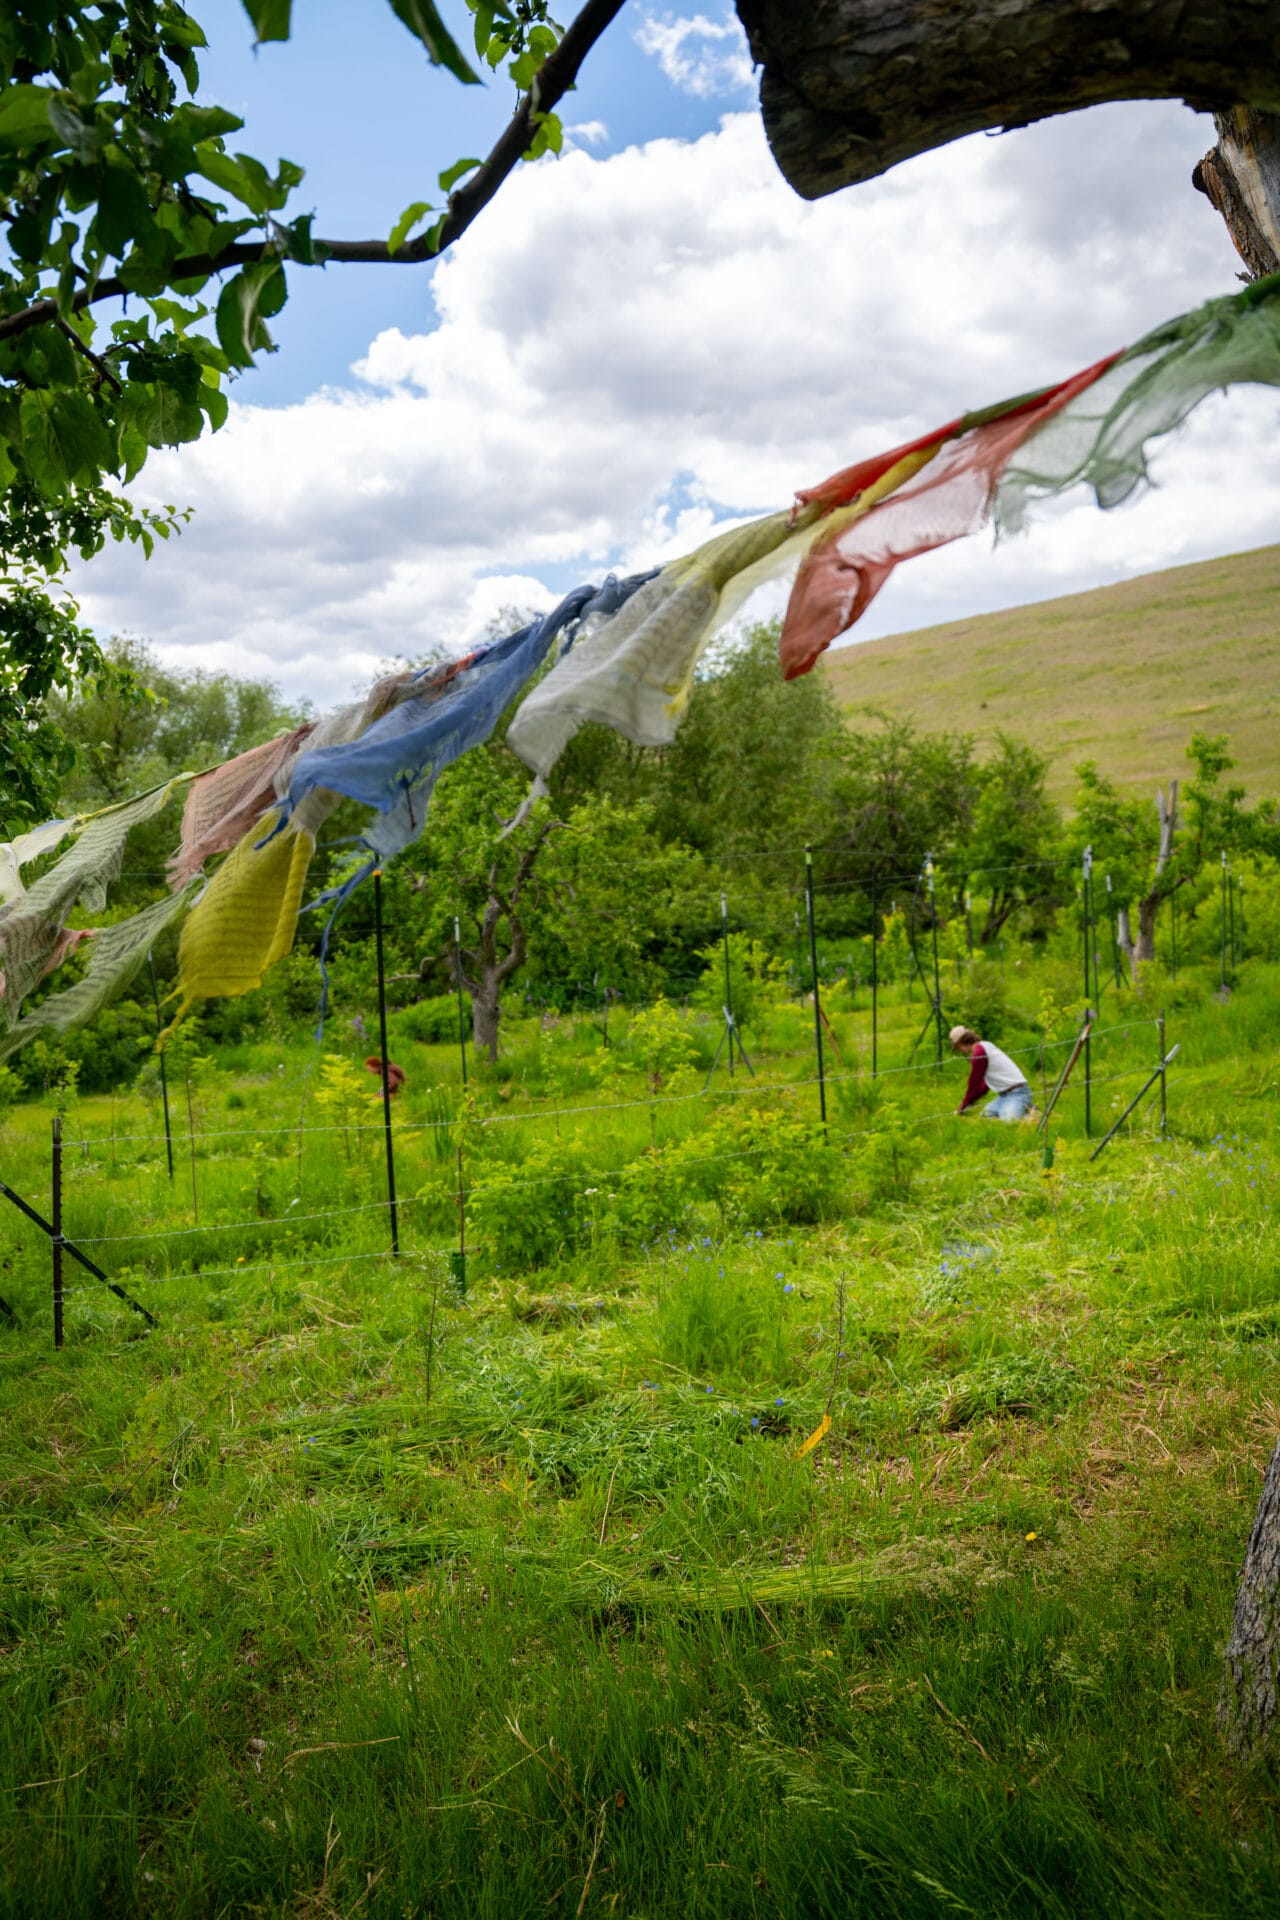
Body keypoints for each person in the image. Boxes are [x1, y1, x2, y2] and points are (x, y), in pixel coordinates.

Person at [949, 1025, 1034, 1121]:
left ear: (961, 1043)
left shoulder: (979, 1053)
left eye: (957, 1047)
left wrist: (962, 1106)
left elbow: (974, 1084)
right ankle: (1021, 1109)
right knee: (985, 1117)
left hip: (1017, 1093)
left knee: (1009, 1122)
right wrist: (970, 1102)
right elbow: (985, 1085)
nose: (959, 1050)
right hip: (1003, 1096)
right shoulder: (985, 1045)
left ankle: (1028, 1111)